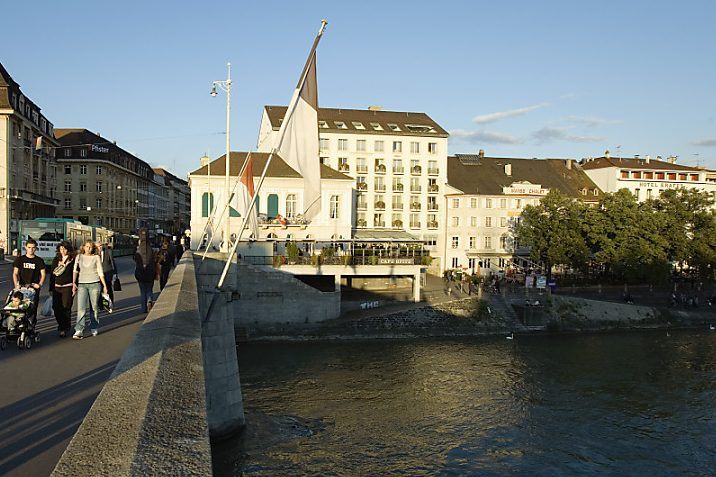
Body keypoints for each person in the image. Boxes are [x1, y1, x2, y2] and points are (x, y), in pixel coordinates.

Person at [72, 240, 108, 340]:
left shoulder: (96, 257)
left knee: (94, 307)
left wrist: (105, 286)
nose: (88, 248)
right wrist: (74, 282)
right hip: (82, 284)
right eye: (87, 246)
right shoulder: (79, 257)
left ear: (93, 248)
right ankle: (79, 329)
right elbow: (75, 270)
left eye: (90, 247)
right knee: (81, 308)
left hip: (95, 284)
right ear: (83, 247)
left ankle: (94, 326)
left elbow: (100, 272)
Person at [49, 241, 75, 337]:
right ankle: (61, 324)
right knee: (56, 307)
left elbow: (76, 273)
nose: (63, 251)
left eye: (64, 248)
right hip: (57, 287)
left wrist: (75, 285)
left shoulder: (73, 259)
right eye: (61, 249)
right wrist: (51, 288)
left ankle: (64, 327)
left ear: (68, 249)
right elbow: (52, 275)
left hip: (68, 287)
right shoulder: (56, 260)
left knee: (66, 307)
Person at [12, 238, 46, 312]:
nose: (31, 249)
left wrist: (39, 284)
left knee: (32, 309)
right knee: (19, 309)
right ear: (26, 247)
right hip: (21, 288)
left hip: (34, 288)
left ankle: (32, 322)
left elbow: (43, 274)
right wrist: (16, 285)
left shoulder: (39, 260)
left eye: (33, 247)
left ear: (36, 248)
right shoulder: (20, 259)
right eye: (29, 247)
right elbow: (15, 273)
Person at [134, 230, 156, 313]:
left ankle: (143, 309)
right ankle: (149, 301)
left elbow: (135, 260)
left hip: (140, 275)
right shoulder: (151, 249)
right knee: (149, 290)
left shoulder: (138, 250)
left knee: (143, 292)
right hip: (150, 274)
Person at [97, 241, 117, 305]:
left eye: (100, 246)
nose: (99, 248)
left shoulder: (108, 251)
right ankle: (101, 304)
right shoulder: (94, 253)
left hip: (107, 273)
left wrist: (115, 273)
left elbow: (112, 262)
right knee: (99, 289)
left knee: (108, 288)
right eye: (98, 246)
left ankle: (109, 303)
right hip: (98, 274)